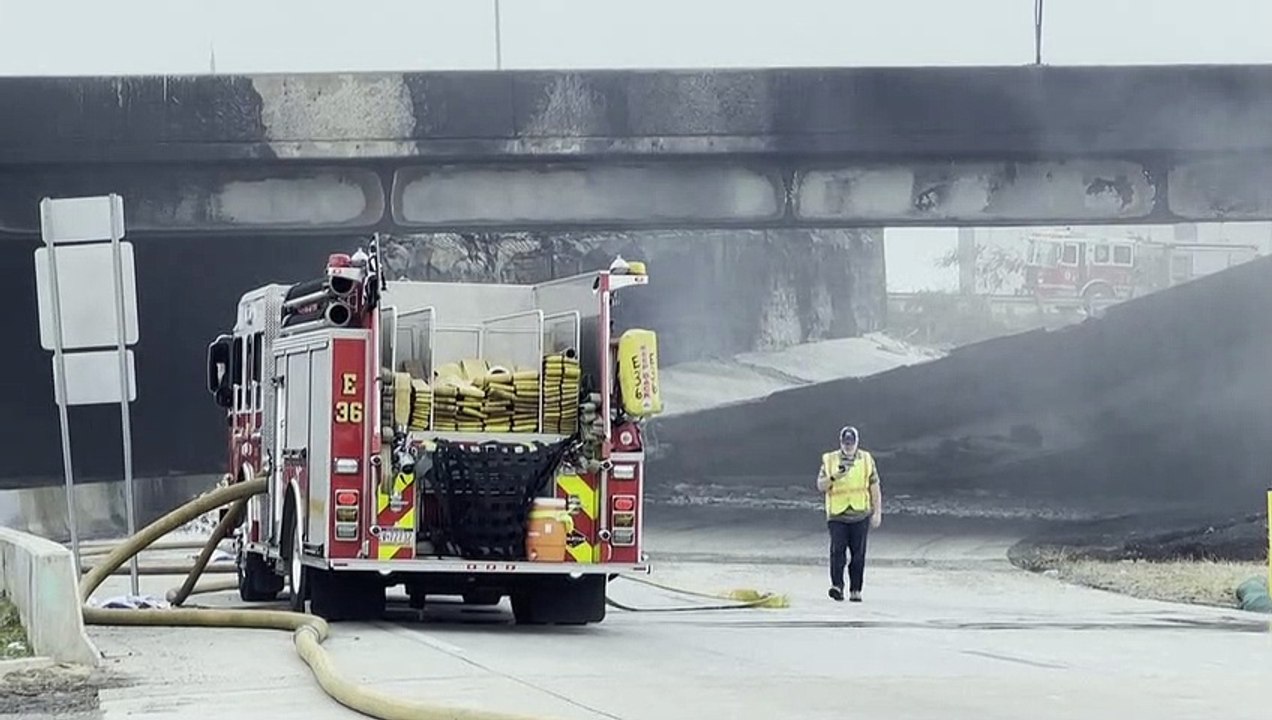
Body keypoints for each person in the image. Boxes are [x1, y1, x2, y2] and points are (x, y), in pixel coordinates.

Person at [816, 425, 881, 602]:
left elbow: (874, 487)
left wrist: (877, 512)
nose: (848, 447)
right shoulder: (830, 460)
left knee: (858, 554)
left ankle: (856, 589)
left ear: (857, 443)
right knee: (838, 552)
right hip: (837, 515)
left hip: (860, 514)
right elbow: (820, 485)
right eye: (845, 443)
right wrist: (835, 476)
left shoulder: (867, 460)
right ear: (841, 443)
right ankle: (837, 586)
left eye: (851, 443)